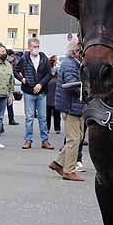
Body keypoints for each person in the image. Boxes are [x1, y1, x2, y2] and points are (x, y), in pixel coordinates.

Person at [49, 39, 86, 181]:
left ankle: (58, 163)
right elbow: (71, 84)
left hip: (76, 106)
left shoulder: (73, 63)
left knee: (78, 138)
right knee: (74, 139)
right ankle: (68, 170)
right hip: (71, 106)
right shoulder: (70, 64)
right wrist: (87, 88)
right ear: (76, 51)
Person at [17, 37, 54, 149]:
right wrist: (22, 79)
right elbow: (15, 70)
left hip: (41, 92)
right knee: (29, 117)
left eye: (38, 47)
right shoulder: (24, 58)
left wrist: (41, 84)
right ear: (29, 47)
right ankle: (28, 140)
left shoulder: (43, 58)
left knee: (43, 118)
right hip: (28, 91)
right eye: (34, 47)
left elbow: (49, 74)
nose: (36, 49)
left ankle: (45, 141)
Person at [46, 56, 61, 134]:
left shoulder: (57, 71)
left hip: (52, 95)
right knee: (54, 114)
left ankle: (52, 128)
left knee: (52, 114)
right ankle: (55, 128)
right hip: (52, 95)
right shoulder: (50, 72)